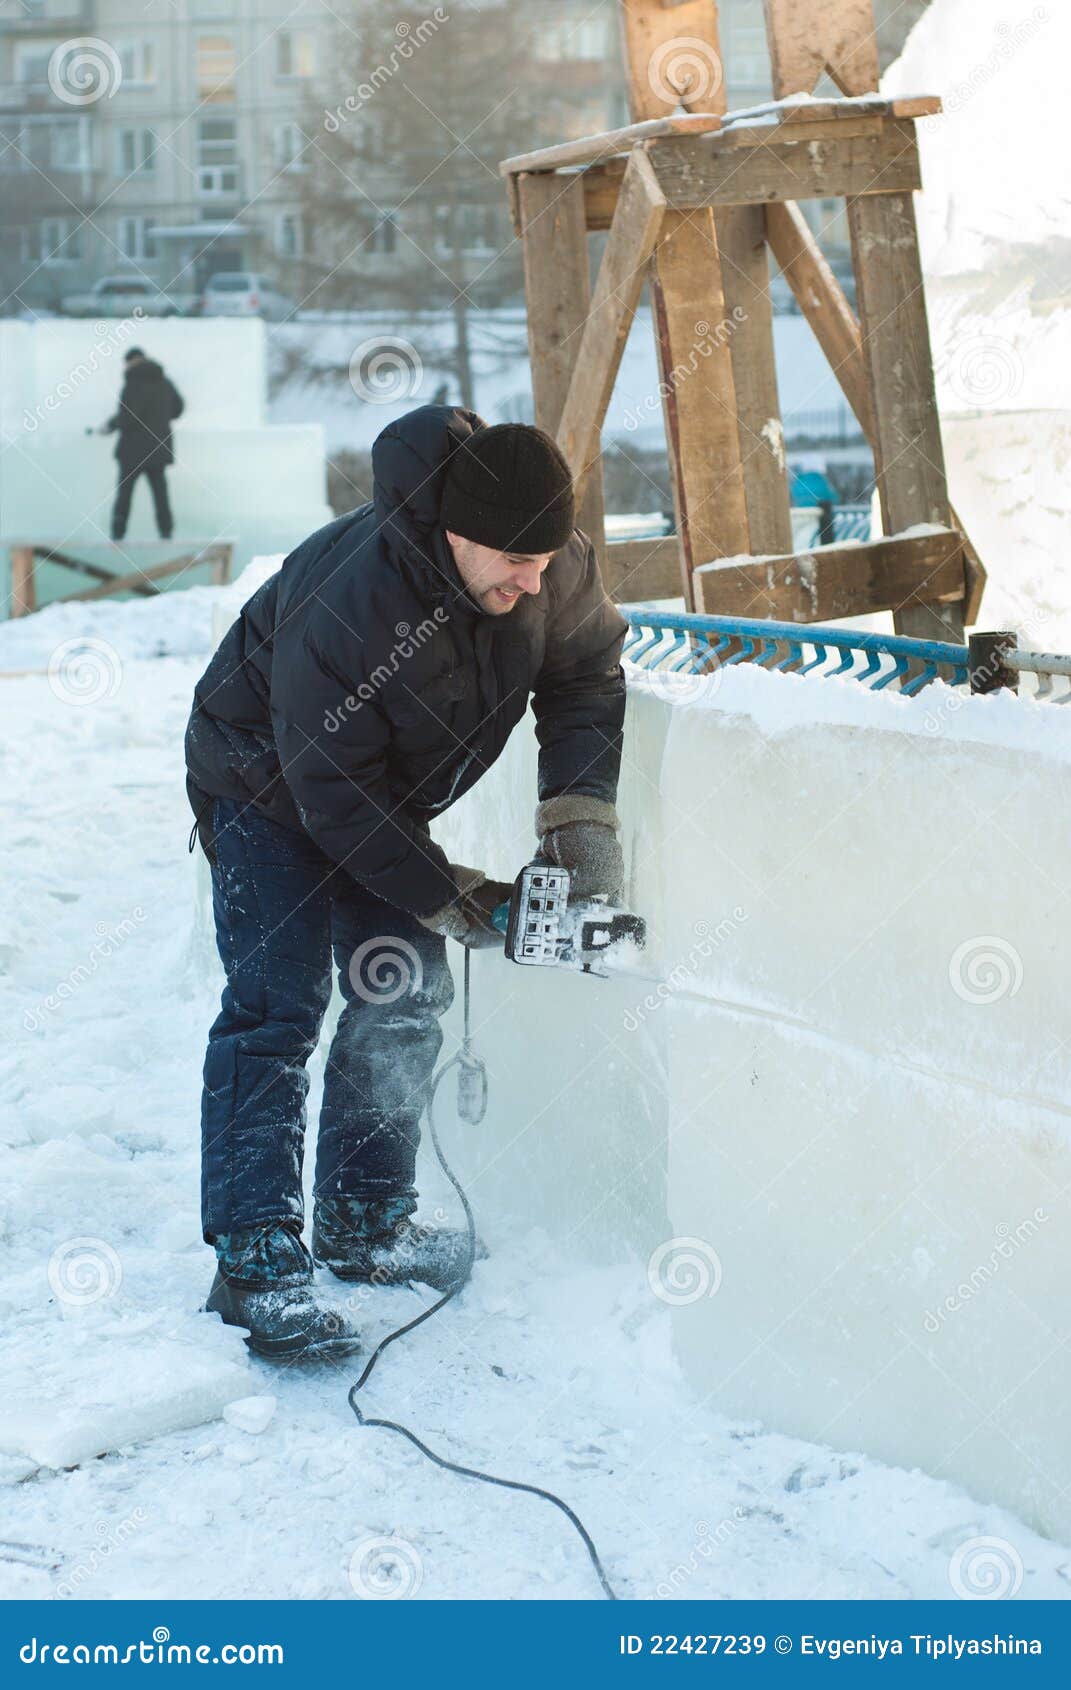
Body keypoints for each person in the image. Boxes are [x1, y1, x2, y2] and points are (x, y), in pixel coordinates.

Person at [185, 406, 627, 1358]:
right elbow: (333, 797)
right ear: (456, 534)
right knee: (276, 1008)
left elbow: (586, 679)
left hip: (372, 789)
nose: (533, 581)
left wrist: (579, 822)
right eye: (516, 562)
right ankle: (255, 1262)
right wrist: (456, 898)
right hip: (263, 779)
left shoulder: (544, 560)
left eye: (546, 562)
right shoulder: (355, 600)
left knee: (404, 987)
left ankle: (364, 1220)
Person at [101, 347, 184, 541]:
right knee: (160, 494)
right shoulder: (164, 382)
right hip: (158, 448)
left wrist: (110, 426)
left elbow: (127, 417)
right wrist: (160, 416)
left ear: (131, 361)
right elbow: (178, 408)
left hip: (132, 450)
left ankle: (118, 535)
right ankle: (166, 533)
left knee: (125, 494)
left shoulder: (133, 384)